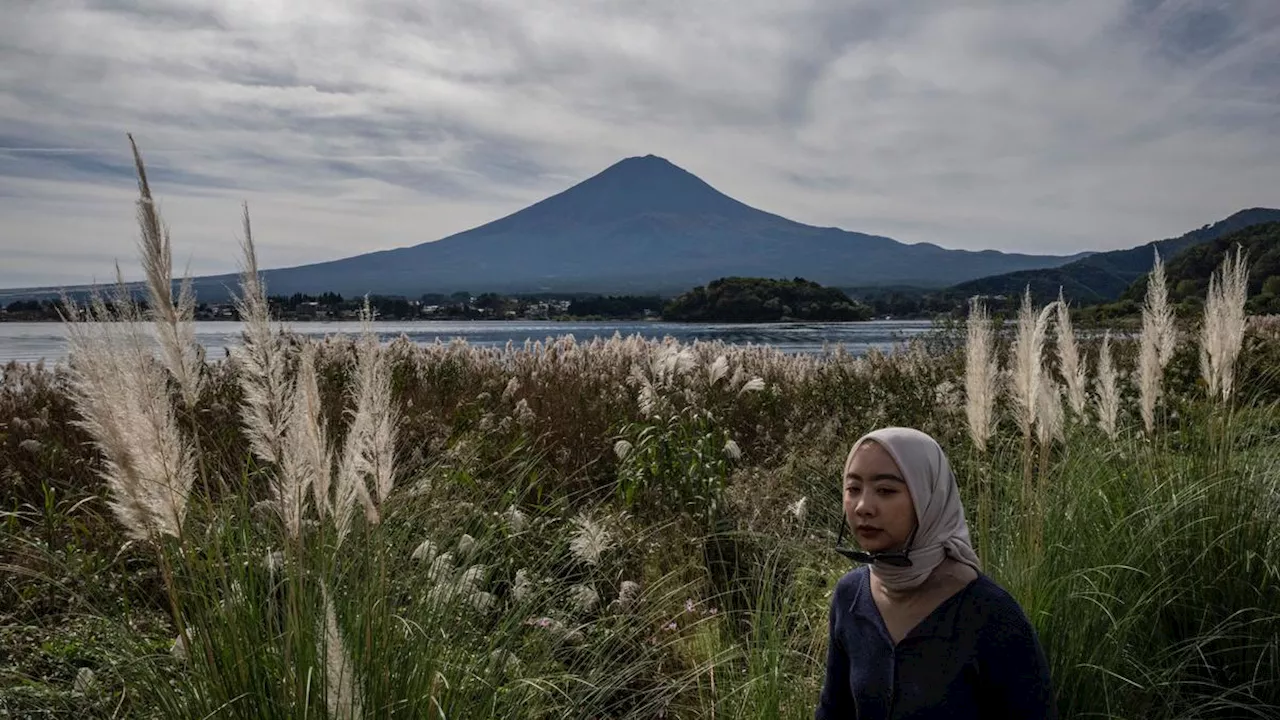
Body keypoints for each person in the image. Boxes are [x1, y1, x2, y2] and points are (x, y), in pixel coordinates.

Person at [815, 427, 1056, 719]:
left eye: (886, 491)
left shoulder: (991, 614)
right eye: (853, 489)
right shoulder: (850, 596)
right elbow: (833, 711)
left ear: (928, 497)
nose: (863, 506)